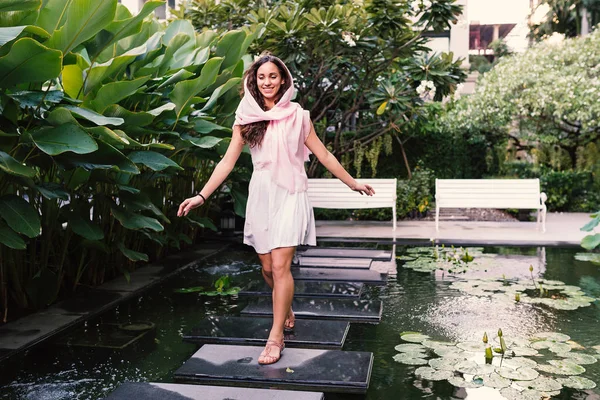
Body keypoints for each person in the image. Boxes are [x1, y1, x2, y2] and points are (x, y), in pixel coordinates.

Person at [177, 54, 375, 365]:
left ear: (283, 80)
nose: (267, 82)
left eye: (273, 76)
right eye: (261, 77)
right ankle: (287, 308)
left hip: (290, 193)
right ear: (253, 82)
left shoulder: (299, 116)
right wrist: (201, 196)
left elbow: (323, 154)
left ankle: (275, 337)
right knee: (268, 269)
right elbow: (227, 162)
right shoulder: (246, 119)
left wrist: (352, 183)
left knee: (281, 268)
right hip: (262, 194)